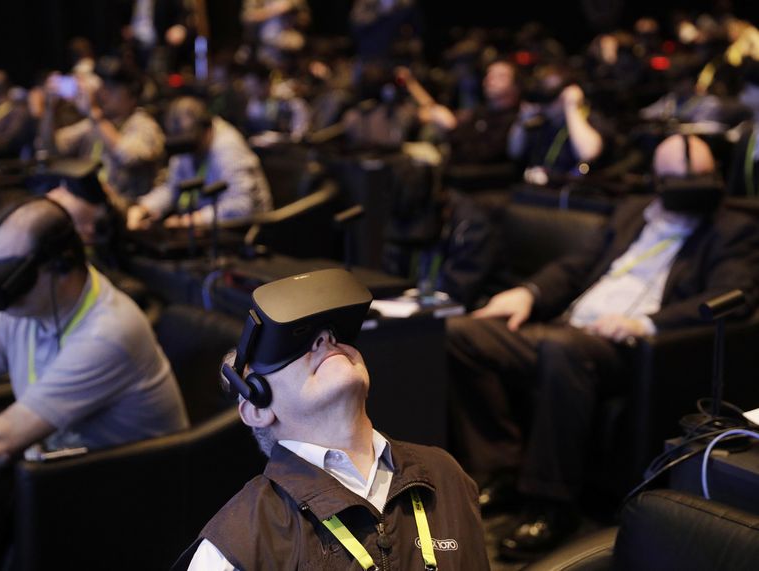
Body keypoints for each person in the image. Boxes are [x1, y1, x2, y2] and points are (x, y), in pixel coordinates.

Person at [445, 134, 759, 560]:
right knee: (462, 333)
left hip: (635, 346)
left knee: (563, 351)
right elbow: (577, 267)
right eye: (677, 177)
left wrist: (645, 321)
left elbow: (731, 294)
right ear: (657, 179)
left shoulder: (732, 228)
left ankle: (552, 505)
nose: (690, 184)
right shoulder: (633, 212)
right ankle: (503, 470)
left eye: (700, 175)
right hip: (567, 325)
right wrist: (530, 293)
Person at [0, 198, 189, 569]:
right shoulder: (18, 306)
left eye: (13, 279)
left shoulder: (109, 331)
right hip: (56, 462)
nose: (1, 294)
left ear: (61, 267)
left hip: (130, 485)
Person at [172, 268, 490, 570]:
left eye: (335, 334)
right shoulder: (241, 543)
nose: (325, 338)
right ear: (257, 409)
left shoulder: (445, 476)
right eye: (292, 345)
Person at [127, 96, 272, 230]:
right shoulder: (187, 143)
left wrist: (190, 220)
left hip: (246, 230)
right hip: (209, 227)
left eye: (189, 141)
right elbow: (173, 188)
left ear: (207, 128)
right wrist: (144, 207)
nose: (186, 150)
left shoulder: (228, 147)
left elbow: (242, 206)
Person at [41, 58, 165, 200]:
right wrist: (50, 110)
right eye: (103, 87)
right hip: (94, 207)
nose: (104, 93)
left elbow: (127, 156)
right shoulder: (96, 123)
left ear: (132, 95)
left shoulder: (144, 124)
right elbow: (52, 147)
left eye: (112, 88)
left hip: (129, 209)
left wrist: (94, 114)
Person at [508, 64, 612, 180]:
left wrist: (571, 106)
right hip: (540, 192)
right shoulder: (542, 123)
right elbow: (514, 152)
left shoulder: (590, 118)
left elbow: (588, 154)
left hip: (577, 191)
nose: (545, 105)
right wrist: (522, 119)